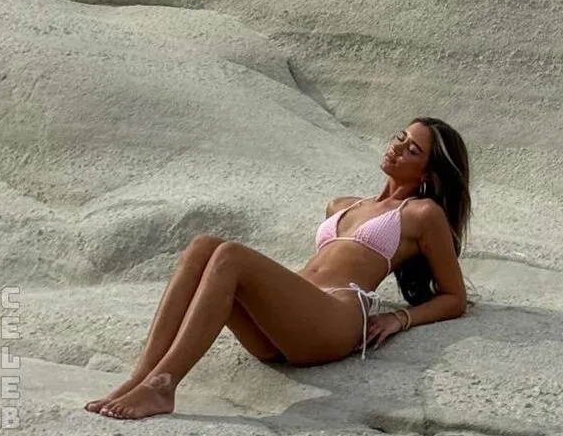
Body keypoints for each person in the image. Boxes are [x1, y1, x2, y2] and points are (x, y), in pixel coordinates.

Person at [85, 116, 474, 419]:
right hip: (285, 329)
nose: (397, 148)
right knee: (203, 246)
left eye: (412, 150)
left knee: (230, 255)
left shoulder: (423, 214)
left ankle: (162, 386)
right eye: (400, 138)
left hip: (334, 319)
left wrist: (399, 318)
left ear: (428, 173)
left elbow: (454, 297)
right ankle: (140, 377)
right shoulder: (342, 205)